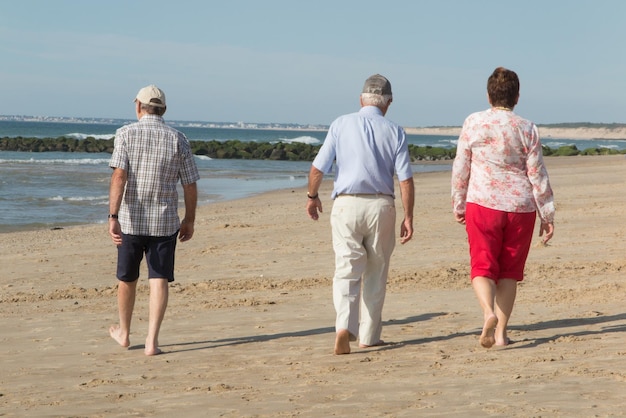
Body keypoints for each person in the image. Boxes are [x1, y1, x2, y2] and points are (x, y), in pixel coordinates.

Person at [306, 74, 415, 355]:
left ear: (361, 99)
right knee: (376, 271)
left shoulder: (341, 124)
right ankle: (368, 335)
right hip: (381, 205)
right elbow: (405, 179)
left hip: (346, 204)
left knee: (346, 269)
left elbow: (319, 168)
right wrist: (408, 216)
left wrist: (312, 196)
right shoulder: (395, 130)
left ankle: (344, 326)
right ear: (388, 103)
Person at [451, 67, 555, 348]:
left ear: (488, 95)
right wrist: (547, 213)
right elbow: (537, 173)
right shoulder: (527, 127)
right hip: (520, 207)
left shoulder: (473, 122)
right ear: (517, 97)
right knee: (509, 272)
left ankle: (487, 313)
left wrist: (458, 203)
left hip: (483, 202)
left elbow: (461, 166)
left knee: (482, 266)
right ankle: (501, 334)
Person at [108, 85, 200, 356]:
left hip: (131, 221)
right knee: (159, 277)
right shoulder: (178, 138)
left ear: (138, 106)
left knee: (127, 278)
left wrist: (112, 216)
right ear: (164, 109)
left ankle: (124, 333)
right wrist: (190, 219)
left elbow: (118, 177)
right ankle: (152, 342)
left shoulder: (125, 134)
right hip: (164, 221)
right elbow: (190, 184)